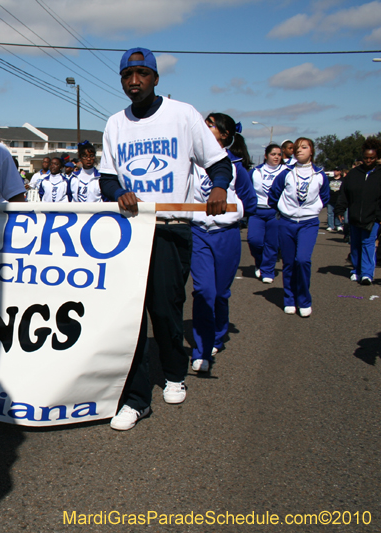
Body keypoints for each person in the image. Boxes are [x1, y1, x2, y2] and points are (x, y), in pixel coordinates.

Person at [100, 47, 233, 431]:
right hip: (131, 231)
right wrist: (117, 194)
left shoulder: (183, 114)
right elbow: (108, 177)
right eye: (128, 75)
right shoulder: (115, 124)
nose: (135, 81)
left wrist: (219, 190)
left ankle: (174, 372)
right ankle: (137, 398)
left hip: (171, 229)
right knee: (131, 316)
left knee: (165, 308)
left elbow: (219, 162)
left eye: (142, 73)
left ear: (156, 78)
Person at [190, 114, 257, 373]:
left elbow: (249, 203)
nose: (205, 129)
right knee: (203, 291)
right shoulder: (191, 162)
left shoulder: (237, 166)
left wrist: (232, 214)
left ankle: (218, 334)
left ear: (225, 135)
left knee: (219, 293)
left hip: (227, 235)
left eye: (211, 126)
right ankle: (202, 350)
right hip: (198, 233)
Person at [268, 137, 329, 317]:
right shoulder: (286, 172)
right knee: (288, 262)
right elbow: (274, 194)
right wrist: (283, 210)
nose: (299, 150)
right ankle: (289, 298)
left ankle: (303, 299)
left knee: (302, 260)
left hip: (308, 223)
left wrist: (312, 209)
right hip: (286, 223)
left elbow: (325, 197)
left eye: (304, 147)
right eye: (297, 148)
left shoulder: (319, 174)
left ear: (312, 151)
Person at [335, 138, 381, 285]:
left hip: (373, 217)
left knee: (368, 243)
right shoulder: (354, 174)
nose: (368, 160)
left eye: (372, 158)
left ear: (377, 157)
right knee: (355, 244)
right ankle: (357, 270)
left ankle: (367, 274)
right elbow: (344, 194)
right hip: (354, 215)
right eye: (366, 157)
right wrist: (340, 209)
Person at [247, 143, 285, 283]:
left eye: (279, 154)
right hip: (257, 211)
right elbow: (247, 190)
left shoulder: (286, 171)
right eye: (273, 154)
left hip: (275, 212)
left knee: (272, 242)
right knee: (254, 240)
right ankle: (260, 261)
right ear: (266, 155)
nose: (276, 157)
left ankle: (268, 270)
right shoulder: (255, 172)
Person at [326, 166, 345, 232]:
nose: (335, 172)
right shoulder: (329, 179)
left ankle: (338, 225)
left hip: (339, 199)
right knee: (330, 213)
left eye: (337, 170)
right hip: (331, 199)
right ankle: (330, 226)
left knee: (338, 213)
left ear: (340, 172)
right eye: (334, 170)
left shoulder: (343, 179)